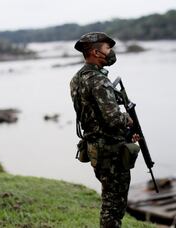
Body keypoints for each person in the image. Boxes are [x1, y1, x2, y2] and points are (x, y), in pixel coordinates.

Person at [70, 32, 139, 228]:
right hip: (111, 151)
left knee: (109, 201)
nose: (111, 52)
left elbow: (93, 118)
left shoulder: (77, 79)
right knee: (114, 206)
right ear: (95, 52)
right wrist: (128, 119)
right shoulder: (99, 81)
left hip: (95, 149)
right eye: (107, 48)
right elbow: (112, 118)